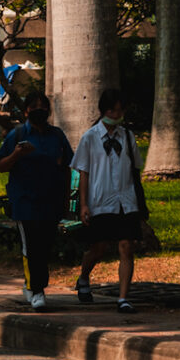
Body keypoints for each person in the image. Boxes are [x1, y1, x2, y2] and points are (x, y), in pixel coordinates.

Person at [0, 87, 73, 310]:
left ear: (48, 109)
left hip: (51, 200)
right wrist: (17, 154)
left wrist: (67, 200)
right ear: (26, 110)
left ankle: (33, 285)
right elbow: (0, 165)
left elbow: (67, 166)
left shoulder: (57, 136)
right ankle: (37, 290)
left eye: (42, 106)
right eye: (34, 107)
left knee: (45, 246)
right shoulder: (17, 135)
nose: (39, 110)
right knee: (32, 247)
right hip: (25, 201)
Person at [72, 87, 143, 313]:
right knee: (99, 247)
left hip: (126, 201)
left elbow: (135, 169)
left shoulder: (128, 137)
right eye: (112, 111)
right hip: (100, 200)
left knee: (126, 246)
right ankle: (84, 277)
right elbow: (84, 172)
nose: (115, 115)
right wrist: (84, 204)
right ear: (103, 111)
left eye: (119, 111)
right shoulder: (90, 138)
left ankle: (123, 298)